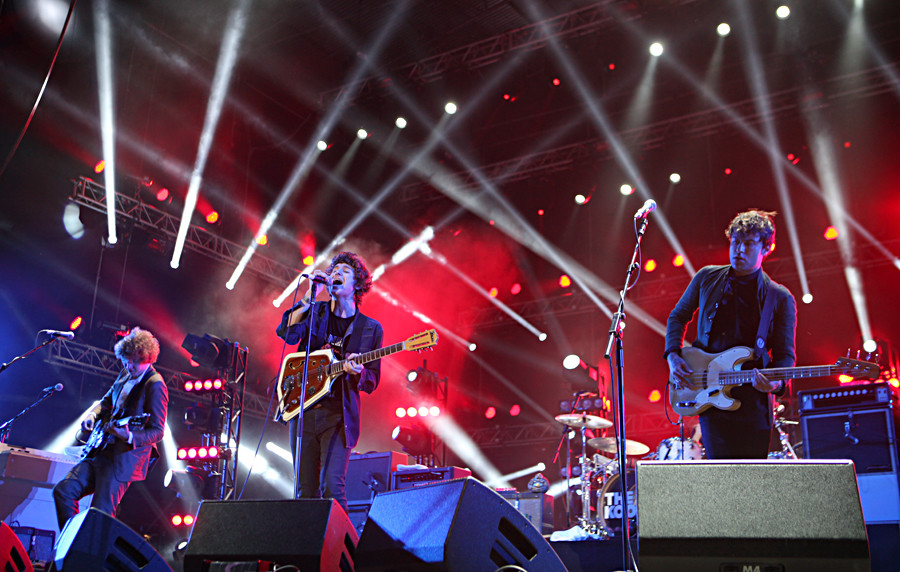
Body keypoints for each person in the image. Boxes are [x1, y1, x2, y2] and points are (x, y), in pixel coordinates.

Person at [664, 209, 797, 459]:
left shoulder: (779, 297)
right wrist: (672, 355)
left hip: (753, 403)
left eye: (748, 244)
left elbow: (785, 355)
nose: (738, 250)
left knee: (751, 480)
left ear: (765, 249)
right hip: (711, 397)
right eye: (735, 242)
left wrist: (776, 383)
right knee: (721, 477)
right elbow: (678, 315)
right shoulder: (706, 277)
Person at [276, 251, 383, 512]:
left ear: (357, 284)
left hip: (338, 416)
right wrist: (309, 296)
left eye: (344, 272)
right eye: (334, 270)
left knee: (332, 488)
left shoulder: (370, 329)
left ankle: (340, 550)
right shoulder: (316, 311)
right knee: (304, 490)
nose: (336, 274)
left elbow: (372, 380)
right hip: (304, 409)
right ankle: (303, 551)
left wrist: (358, 372)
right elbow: (287, 333)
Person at [53, 327, 168, 530]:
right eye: (126, 360)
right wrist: (92, 414)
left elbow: (158, 431)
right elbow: (106, 401)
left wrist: (130, 435)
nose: (128, 365)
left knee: (100, 514)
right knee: (63, 490)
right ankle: (72, 541)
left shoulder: (155, 384)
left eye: (134, 361)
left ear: (147, 357)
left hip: (122, 459)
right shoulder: (125, 373)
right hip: (100, 450)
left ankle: (89, 556)